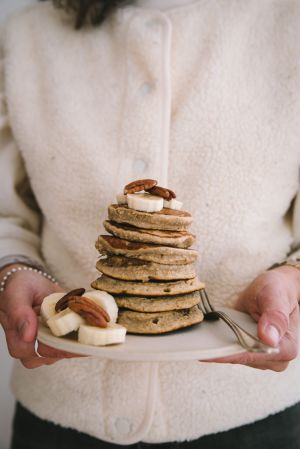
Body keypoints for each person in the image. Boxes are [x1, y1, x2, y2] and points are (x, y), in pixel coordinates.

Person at [0, 0, 300, 447]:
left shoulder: (289, 23)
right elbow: (8, 211)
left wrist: (293, 280)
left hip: (254, 421)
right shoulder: (25, 36)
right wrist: (14, 269)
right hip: (60, 418)